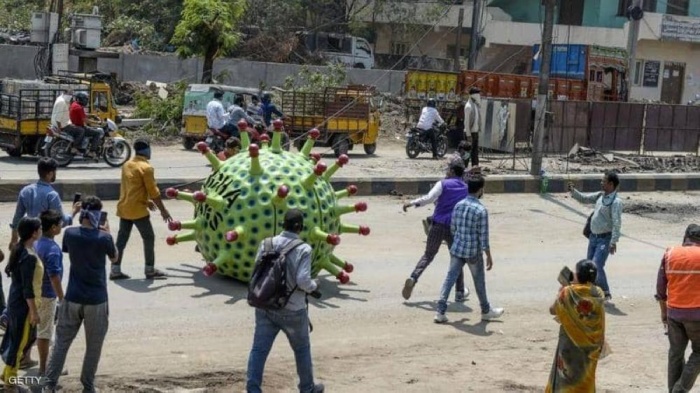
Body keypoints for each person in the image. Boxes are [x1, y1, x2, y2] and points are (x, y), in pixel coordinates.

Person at [43, 196, 118, 393]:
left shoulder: (70, 234)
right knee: (93, 347)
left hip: (72, 297)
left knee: (61, 344)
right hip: (97, 301)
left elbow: (68, 250)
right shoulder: (104, 238)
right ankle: (88, 385)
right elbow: (115, 257)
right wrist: (108, 233)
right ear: (97, 215)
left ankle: (49, 385)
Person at [246, 209, 324, 393]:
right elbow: (303, 280)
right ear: (300, 227)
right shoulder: (303, 249)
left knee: (259, 350)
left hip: (265, 306)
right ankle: (307, 388)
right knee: (302, 350)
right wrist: (314, 286)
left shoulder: (266, 244)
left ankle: (253, 389)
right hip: (293, 310)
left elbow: (256, 271)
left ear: (283, 225)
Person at [435, 175, 503, 323]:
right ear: (480, 190)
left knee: (449, 279)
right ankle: (485, 310)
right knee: (479, 282)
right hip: (473, 252)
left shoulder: (458, 205)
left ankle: (440, 312)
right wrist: (489, 256)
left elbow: (453, 228)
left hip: (457, 249)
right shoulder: (480, 210)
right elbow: (484, 238)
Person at [401, 160, 468, 302]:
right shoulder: (465, 188)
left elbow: (429, 198)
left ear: (452, 171)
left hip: (437, 225)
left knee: (428, 255)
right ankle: (460, 292)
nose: (446, 171)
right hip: (454, 229)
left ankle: (413, 277)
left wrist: (411, 203)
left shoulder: (443, 183)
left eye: (448, 169)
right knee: (457, 259)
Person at [112, 139, 172, 280]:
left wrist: (146, 202)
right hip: (138, 211)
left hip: (125, 207)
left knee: (121, 241)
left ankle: (115, 270)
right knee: (149, 237)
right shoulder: (146, 168)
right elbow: (154, 192)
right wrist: (164, 211)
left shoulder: (127, 165)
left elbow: (133, 189)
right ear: (146, 150)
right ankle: (149, 269)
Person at [546, 259, 606, 392]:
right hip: (590, 349)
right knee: (585, 380)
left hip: (569, 346)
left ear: (578, 275)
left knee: (565, 380)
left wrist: (561, 291)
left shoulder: (567, 292)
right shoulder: (599, 293)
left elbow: (552, 310)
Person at [0, 217, 43, 391]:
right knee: (20, 341)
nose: (41, 230)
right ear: (34, 233)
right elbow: (27, 288)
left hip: (16, 302)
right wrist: (33, 311)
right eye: (39, 228)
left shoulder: (22, 249)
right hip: (23, 305)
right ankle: (11, 381)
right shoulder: (28, 256)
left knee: (19, 338)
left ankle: (8, 373)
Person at [656, 224, 700, 393]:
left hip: (674, 313)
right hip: (697, 316)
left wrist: (664, 313)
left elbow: (660, 289)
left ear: (685, 238)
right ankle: (679, 390)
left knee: (675, 354)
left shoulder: (670, 253)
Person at [569, 171, 622, 303]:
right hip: (593, 237)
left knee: (597, 265)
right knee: (589, 267)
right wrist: (573, 191)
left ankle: (605, 292)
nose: (601, 183)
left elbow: (617, 223)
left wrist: (613, 242)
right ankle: (591, 292)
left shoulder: (616, 202)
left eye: (603, 181)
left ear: (610, 184)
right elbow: (584, 199)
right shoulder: (600, 196)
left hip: (605, 239)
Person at [9, 157, 79, 252]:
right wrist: (74, 211)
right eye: (55, 172)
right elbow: (61, 222)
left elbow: (18, 217)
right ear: (50, 173)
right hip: (44, 243)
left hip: (29, 242)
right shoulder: (52, 195)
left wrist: (14, 238)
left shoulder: (25, 191)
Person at [34, 210, 65, 376]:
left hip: (36, 293)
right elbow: (54, 276)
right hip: (47, 295)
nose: (61, 227)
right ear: (53, 228)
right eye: (60, 224)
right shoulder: (52, 249)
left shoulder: (36, 243)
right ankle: (44, 370)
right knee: (45, 333)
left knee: (39, 330)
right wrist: (62, 297)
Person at [50, 88, 84, 154]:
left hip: (61, 123)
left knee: (76, 128)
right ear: (65, 93)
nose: (71, 96)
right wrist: (59, 128)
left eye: (72, 94)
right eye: (70, 94)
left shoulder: (60, 99)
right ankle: (74, 148)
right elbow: (58, 118)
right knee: (81, 131)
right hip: (63, 126)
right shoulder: (62, 102)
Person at [69, 92, 103, 158]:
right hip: (78, 126)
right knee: (97, 133)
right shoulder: (79, 107)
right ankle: (92, 151)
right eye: (85, 99)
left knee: (89, 129)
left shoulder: (74, 104)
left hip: (75, 125)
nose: (86, 101)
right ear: (81, 99)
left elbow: (82, 115)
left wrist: (92, 115)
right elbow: (85, 120)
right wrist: (97, 122)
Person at [464, 87, 482, 166]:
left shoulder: (475, 105)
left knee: (475, 152)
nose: (479, 96)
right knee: (467, 153)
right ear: (473, 95)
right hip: (470, 133)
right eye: (477, 94)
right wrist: (468, 135)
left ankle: (475, 168)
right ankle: (464, 168)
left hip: (475, 132)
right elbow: (466, 122)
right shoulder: (468, 106)